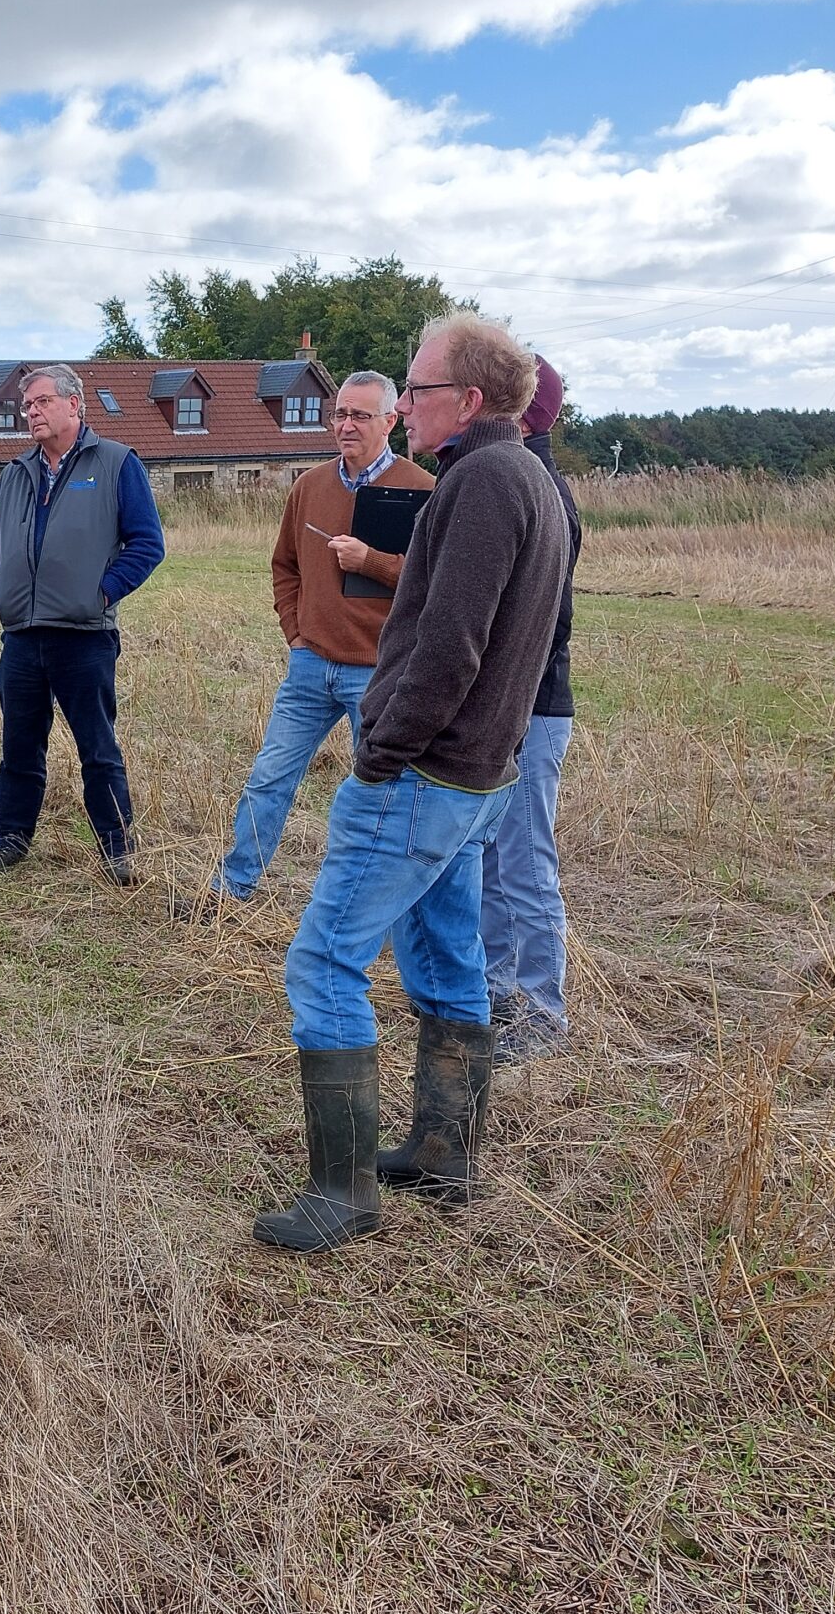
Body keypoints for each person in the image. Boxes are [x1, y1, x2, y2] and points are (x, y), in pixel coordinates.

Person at [256, 311, 570, 1255]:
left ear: (468, 399)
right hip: (480, 776)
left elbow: (451, 645)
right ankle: (444, 1150)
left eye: (418, 386)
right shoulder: (531, 479)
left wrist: (383, 748)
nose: (407, 400)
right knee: (444, 955)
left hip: (427, 775)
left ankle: (342, 1192)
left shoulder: (478, 485)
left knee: (322, 964)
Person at [188, 371, 434, 912]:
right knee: (269, 778)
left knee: (373, 796)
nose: (346, 425)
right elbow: (285, 567)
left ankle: (369, 910)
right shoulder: (309, 486)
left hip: (377, 672)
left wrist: (369, 561)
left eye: (360, 415)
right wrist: (295, 633)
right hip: (309, 665)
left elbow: (434, 581)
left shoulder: (422, 491)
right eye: (340, 414)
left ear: (390, 421)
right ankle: (234, 887)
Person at [0, 363, 165, 884]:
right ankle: (11, 838)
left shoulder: (117, 463)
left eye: (40, 402)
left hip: (84, 636)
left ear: (74, 404)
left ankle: (117, 848)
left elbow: (148, 544)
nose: (29, 412)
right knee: (19, 745)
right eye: (26, 405)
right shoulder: (16, 472)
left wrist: (100, 592)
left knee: (97, 748)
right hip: (21, 635)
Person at [479, 358, 583, 1063]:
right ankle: (493, 989)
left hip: (532, 706)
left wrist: (506, 702)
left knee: (523, 859)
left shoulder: (537, 488)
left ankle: (543, 1010)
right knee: (489, 857)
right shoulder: (515, 477)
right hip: (506, 706)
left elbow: (544, 624)